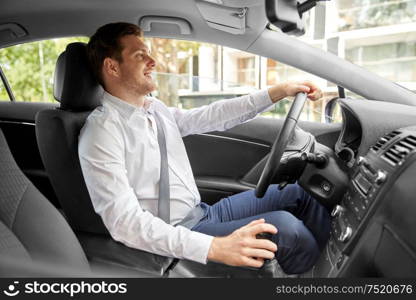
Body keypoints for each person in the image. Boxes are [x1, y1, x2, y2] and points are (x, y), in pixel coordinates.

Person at [79, 22, 330, 275]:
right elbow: (124, 223)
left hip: (203, 213)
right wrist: (214, 246)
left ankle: (334, 264)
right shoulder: (102, 132)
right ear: (112, 66)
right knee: (286, 229)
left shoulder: (154, 109)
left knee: (301, 193)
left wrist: (277, 92)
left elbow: (212, 116)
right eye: (140, 55)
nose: (153, 61)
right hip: (180, 231)